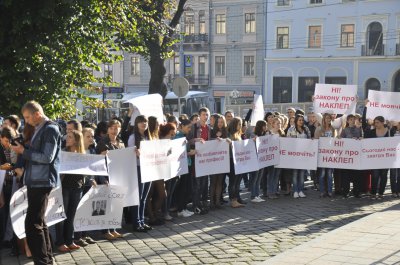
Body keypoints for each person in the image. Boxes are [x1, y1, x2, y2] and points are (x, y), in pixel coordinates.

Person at [11, 100, 62, 265]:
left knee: (32, 224)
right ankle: (46, 259)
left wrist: (23, 152)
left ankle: (43, 261)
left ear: (37, 114)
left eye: (27, 117)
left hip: (42, 181)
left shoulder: (50, 129)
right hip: (37, 180)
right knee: (39, 222)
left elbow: (47, 157)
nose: (26, 121)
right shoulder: (40, 128)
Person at [56, 129, 85, 253]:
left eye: (70, 137)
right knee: (62, 216)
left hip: (77, 188)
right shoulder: (62, 153)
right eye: (67, 137)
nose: (67, 139)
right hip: (64, 187)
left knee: (72, 216)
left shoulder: (83, 155)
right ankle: (60, 242)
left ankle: (70, 240)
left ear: (77, 140)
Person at [95, 119, 124, 239]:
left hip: (118, 175)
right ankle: (105, 231)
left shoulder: (121, 142)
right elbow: (98, 161)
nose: (114, 130)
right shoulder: (103, 142)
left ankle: (113, 228)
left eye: (116, 128)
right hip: (106, 176)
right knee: (106, 204)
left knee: (115, 203)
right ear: (107, 129)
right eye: (112, 128)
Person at [287, 114, 311, 199]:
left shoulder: (306, 129)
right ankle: (295, 191)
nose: (301, 121)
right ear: (296, 121)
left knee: (302, 174)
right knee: (295, 173)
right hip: (294, 155)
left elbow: (309, 140)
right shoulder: (291, 129)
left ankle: (301, 190)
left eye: (302, 120)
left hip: (304, 155)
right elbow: (288, 142)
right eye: (299, 120)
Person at [314, 113, 337, 198]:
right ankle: (322, 191)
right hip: (322, 155)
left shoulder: (333, 129)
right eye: (326, 118)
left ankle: (330, 191)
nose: (328, 120)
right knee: (322, 174)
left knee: (329, 174)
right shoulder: (319, 129)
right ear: (323, 119)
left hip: (330, 155)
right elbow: (316, 140)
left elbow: (335, 141)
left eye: (329, 118)